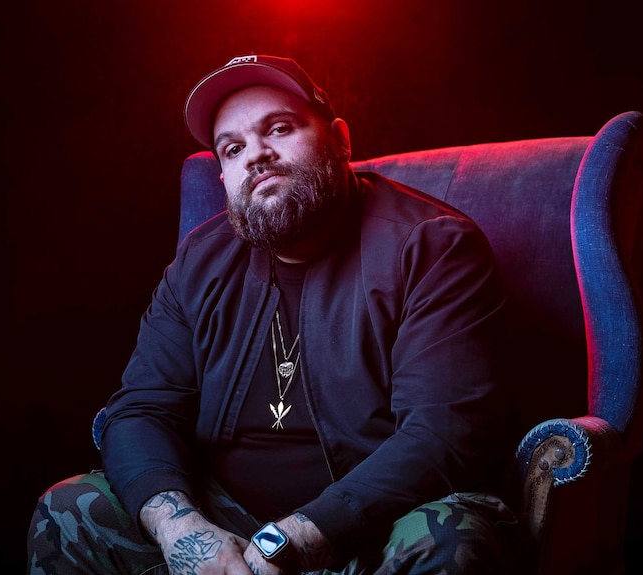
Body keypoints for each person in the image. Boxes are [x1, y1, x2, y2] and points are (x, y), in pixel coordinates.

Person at [28, 54, 518, 575]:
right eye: (233, 148)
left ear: (340, 139)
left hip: (372, 523)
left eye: (279, 128)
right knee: (68, 510)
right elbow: (141, 409)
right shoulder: (200, 260)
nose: (256, 156)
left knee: (449, 538)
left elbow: (442, 434)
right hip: (221, 523)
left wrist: (295, 539)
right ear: (223, 176)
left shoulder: (432, 247)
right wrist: (185, 532)